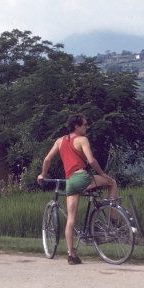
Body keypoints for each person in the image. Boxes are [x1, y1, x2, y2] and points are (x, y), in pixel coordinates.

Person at [37, 113, 117, 264]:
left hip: (70, 182)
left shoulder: (60, 141)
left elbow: (47, 159)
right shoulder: (82, 140)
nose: (87, 127)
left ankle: (71, 255)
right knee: (112, 183)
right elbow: (91, 160)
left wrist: (42, 174)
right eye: (85, 124)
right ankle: (112, 219)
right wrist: (102, 174)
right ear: (77, 126)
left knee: (71, 219)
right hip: (82, 177)